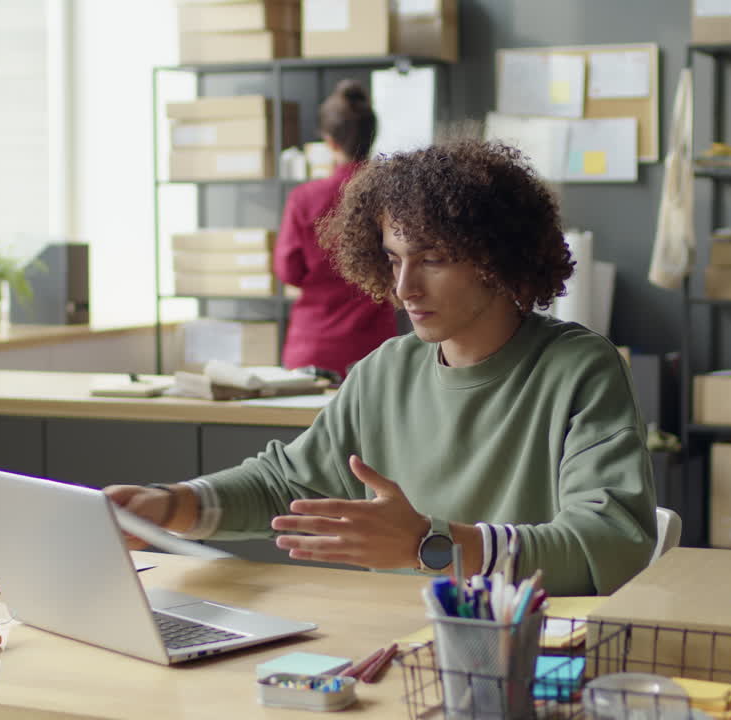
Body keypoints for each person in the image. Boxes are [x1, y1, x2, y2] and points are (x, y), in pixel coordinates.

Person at [107, 138, 656, 596]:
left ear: (495, 258)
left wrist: (429, 545)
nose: (404, 288)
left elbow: (606, 542)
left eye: (433, 260)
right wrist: (174, 504)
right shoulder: (384, 371)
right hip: (389, 645)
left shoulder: (580, 369)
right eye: (394, 260)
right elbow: (284, 484)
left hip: (516, 653)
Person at [274, 79, 397, 379]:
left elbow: (289, 271)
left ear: (329, 142)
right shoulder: (391, 195)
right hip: (374, 349)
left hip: (313, 345)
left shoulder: (305, 198)